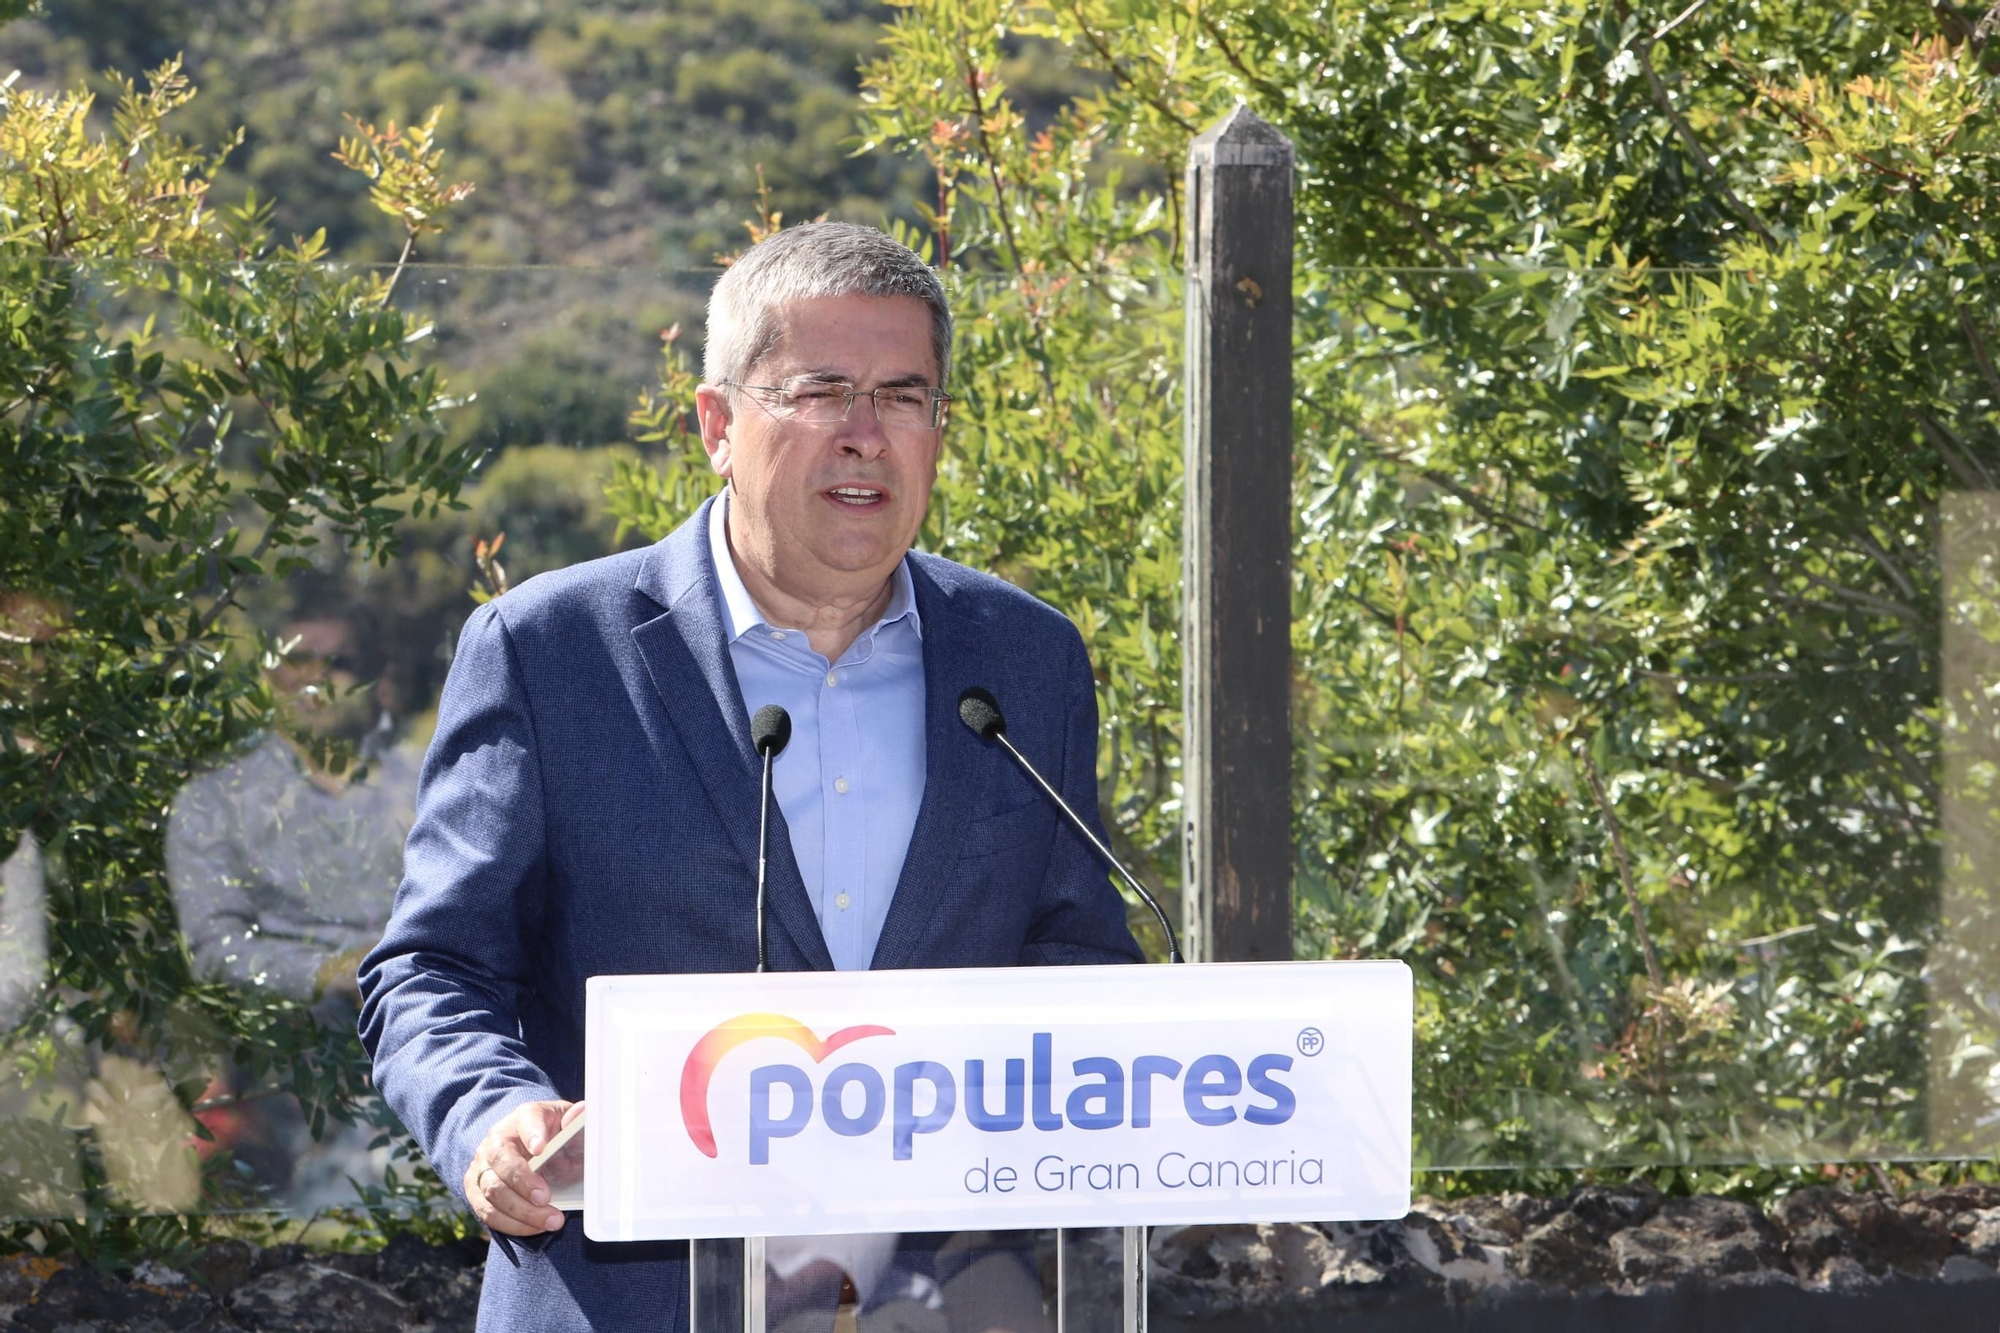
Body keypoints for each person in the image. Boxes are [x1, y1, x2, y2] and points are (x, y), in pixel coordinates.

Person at [357, 221, 1142, 1332]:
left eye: (902, 396)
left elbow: (1071, 950)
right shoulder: (551, 650)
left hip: (951, 1300)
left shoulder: (1022, 658)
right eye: (820, 392)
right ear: (717, 425)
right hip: (629, 1297)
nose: (865, 435)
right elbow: (433, 965)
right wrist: (495, 1116)